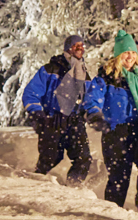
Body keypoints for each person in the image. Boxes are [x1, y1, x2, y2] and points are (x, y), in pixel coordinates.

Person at [83, 29, 138, 217]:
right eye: (125, 52)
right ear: (118, 55)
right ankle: (112, 210)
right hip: (115, 130)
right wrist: (95, 114)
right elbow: (93, 98)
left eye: (132, 52)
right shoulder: (106, 78)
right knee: (119, 174)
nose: (130, 56)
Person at [22, 34, 92, 186]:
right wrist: (37, 113)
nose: (80, 49)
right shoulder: (50, 69)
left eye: (82, 46)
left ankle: (72, 187)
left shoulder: (84, 73)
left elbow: (91, 98)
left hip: (75, 121)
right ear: (68, 48)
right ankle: (33, 185)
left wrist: (91, 113)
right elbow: (31, 93)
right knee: (50, 158)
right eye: (76, 46)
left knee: (83, 158)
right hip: (52, 120)